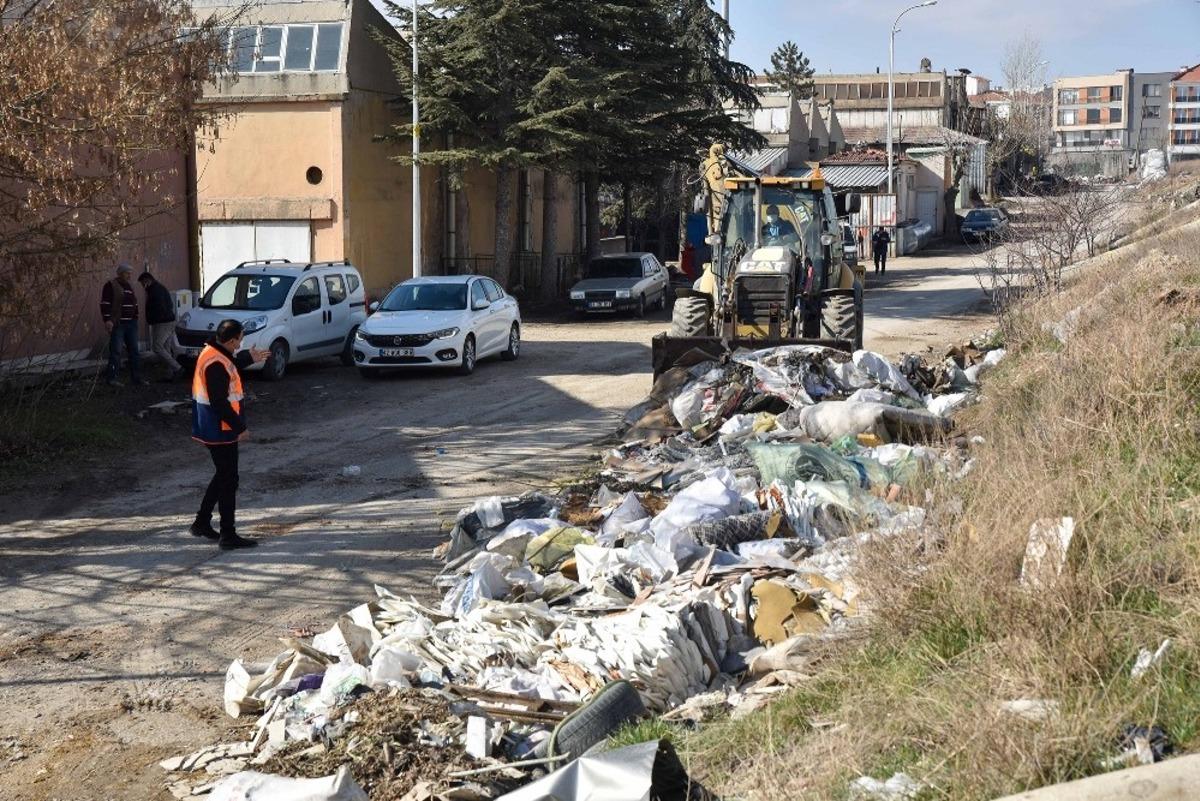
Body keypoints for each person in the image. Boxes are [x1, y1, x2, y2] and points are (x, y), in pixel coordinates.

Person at [190, 319, 269, 550]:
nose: (241, 343)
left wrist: (248, 359)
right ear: (232, 339)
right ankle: (227, 534)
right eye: (240, 339)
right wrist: (239, 427)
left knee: (224, 475)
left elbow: (230, 363)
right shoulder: (216, 362)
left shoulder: (214, 351)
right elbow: (219, 401)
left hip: (213, 426)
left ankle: (202, 522)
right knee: (228, 479)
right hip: (220, 428)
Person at [100, 263, 146, 387]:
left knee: (134, 351)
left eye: (130, 273)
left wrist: (135, 317)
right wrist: (107, 319)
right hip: (118, 324)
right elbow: (105, 303)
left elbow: (134, 303)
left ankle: (136, 378)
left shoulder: (130, 286)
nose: (129, 275)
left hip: (131, 324)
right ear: (120, 273)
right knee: (116, 351)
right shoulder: (111, 285)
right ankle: (112, 378)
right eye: (127, 273)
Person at [138, 271, 182, 380]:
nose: (142, 286)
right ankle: (170, 374)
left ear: (148, 280)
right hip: (169, 321)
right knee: (166, 349)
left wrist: (154, 319)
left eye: (143, 283)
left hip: (162, 323)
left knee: (157, 347)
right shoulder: (159, 288)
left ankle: (178, 368)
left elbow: (159, 307)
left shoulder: (155, 290)